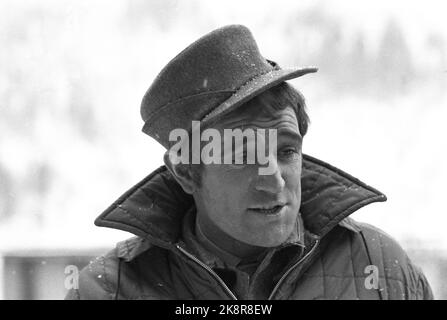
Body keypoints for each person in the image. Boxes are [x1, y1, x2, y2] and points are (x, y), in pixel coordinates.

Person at [65, 25, 433, 300]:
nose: (274, 181)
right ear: (187, 171)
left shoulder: (380, 267)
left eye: (286, 151)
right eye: (244, 157)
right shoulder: (109, 290)